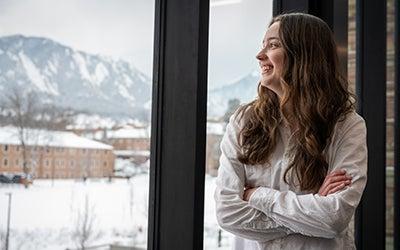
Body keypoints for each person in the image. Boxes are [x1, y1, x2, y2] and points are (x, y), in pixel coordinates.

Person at [214, 13, 367, 250]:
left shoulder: (346, 125)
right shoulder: (244, 122)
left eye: (273, 45)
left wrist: (257, 196)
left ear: (304, 55)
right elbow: (228, 213)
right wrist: (312, 208)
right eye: (262, 45)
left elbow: (334, 218)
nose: (259, 55)